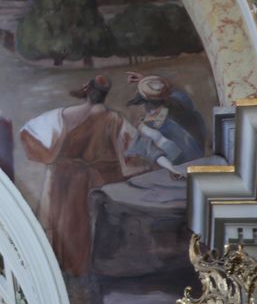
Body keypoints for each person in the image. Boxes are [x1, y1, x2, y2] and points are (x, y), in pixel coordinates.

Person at [18, 75, 143, 276]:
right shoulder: (116, 119)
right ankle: (93, 270)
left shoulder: (61, 115)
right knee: (97, 223)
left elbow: (28, 133)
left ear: (87, 90)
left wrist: (50, 156)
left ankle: (72, 269)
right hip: (103, 180)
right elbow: (135, 151)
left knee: (69, 224)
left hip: (66, 181)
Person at [124, 73, 204, 176]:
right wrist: (147, 81)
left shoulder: (149, 127)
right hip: (193, 158)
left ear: (143, 102)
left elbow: (157, 152)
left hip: (184, 164)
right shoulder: (179, 103)